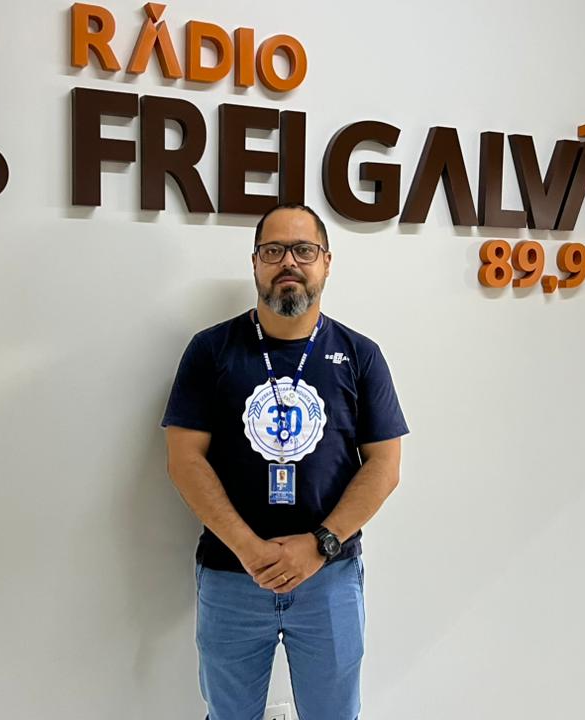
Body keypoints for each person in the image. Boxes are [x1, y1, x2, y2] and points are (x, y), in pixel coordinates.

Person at [161, 203, 409, 720]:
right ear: (255, 262)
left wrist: (319, 545)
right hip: (232, 574)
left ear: (326, 262)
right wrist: (249, 549)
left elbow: (384, 465)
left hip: (330, 577)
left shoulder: (360, 355)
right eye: (273, 250)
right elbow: (185, 459)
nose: (288, 262)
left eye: (303, 250)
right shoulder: (210, 350)